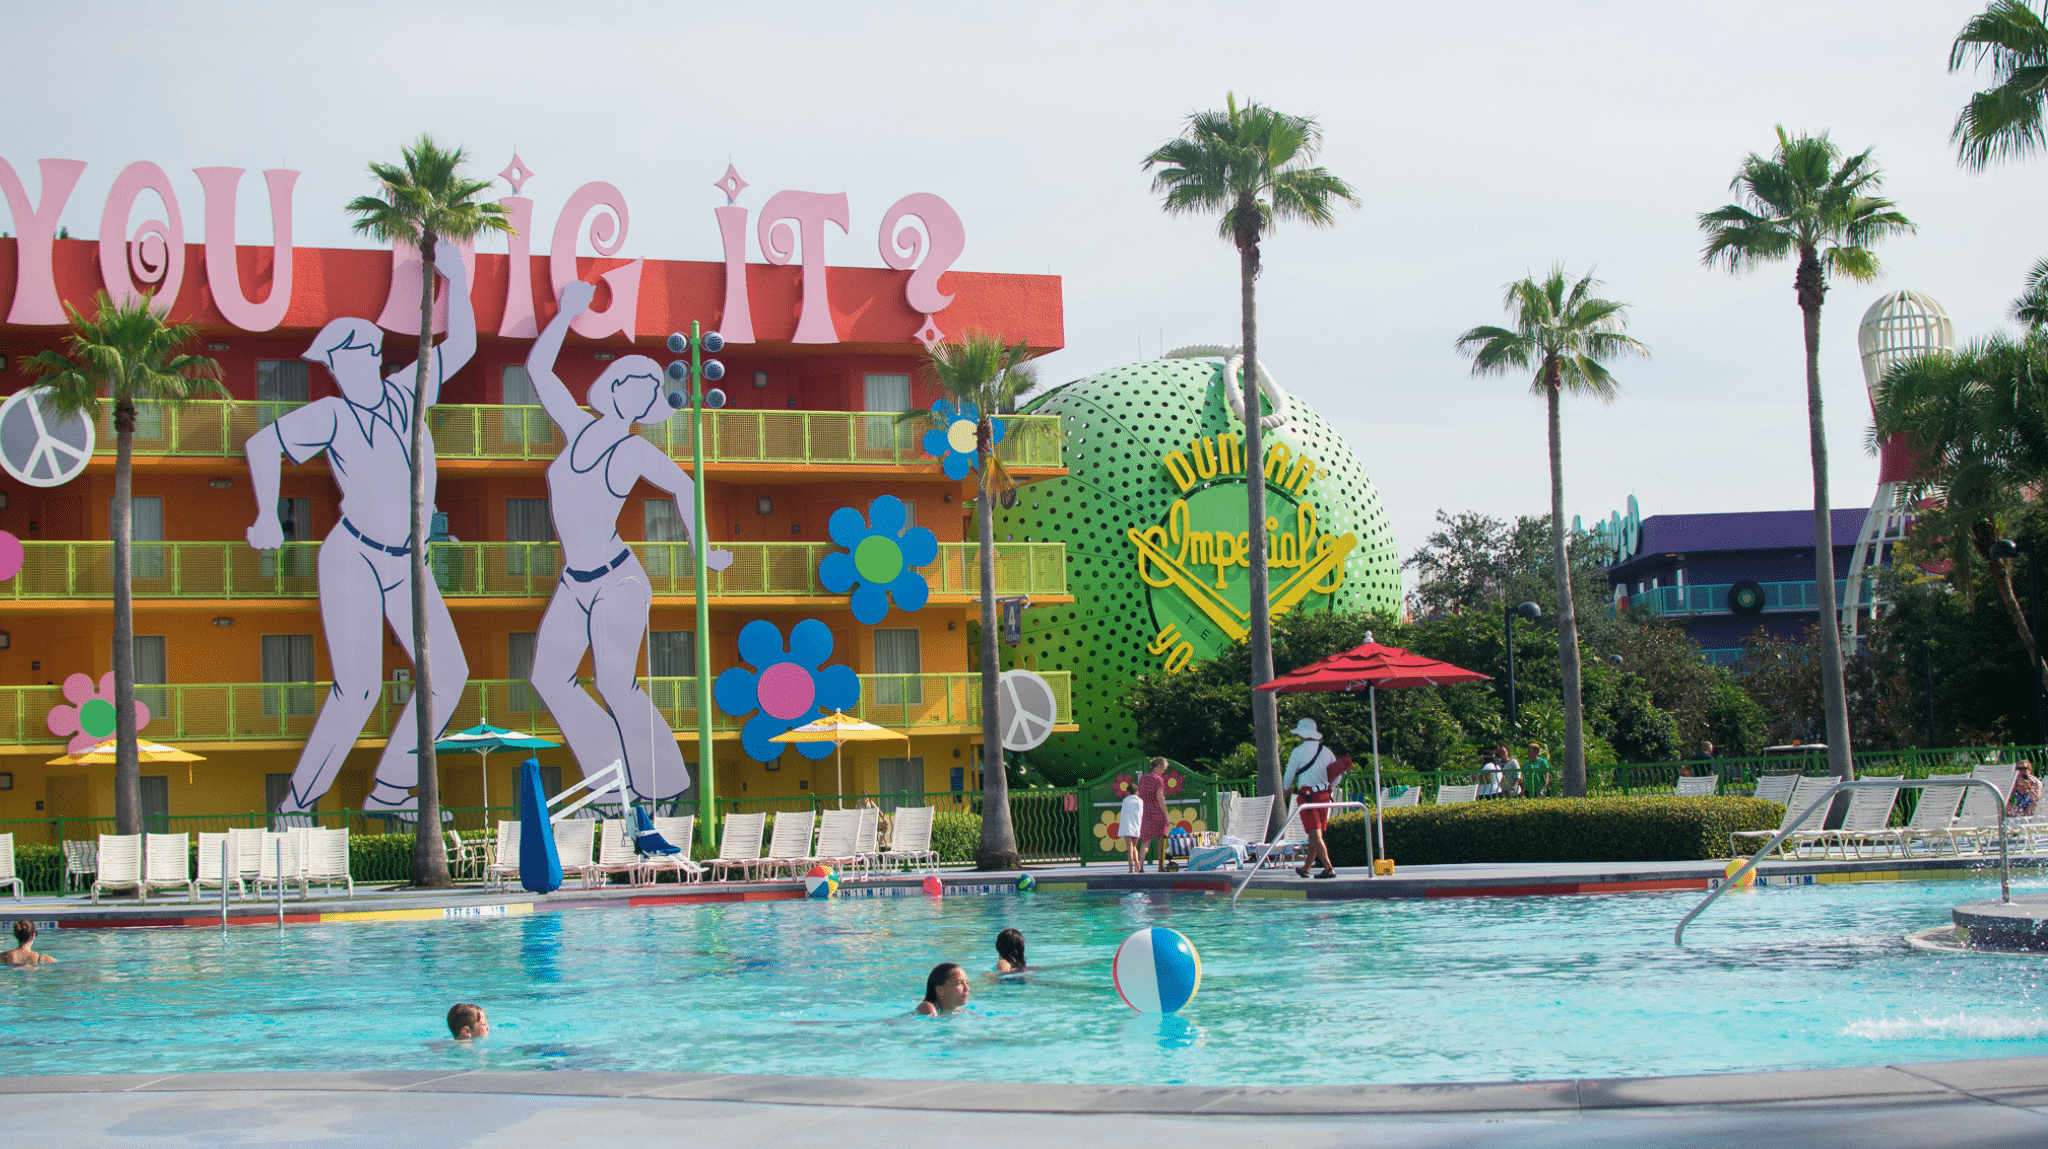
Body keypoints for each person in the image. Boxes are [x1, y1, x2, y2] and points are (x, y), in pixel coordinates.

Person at [244, 240, 474, 818]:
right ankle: (296, 807)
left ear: (371, 354)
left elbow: (463, 344)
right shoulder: (332, 415)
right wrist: (267, 513)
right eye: (331, 364)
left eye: (346, 359)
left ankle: (392, 791)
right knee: (360, 689)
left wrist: (458, 281)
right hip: (352, 556)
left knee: (449, 673)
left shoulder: (409, 393)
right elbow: (262, 443)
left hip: (407, 562)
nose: (337, 370)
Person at [525, 281, 733, 803]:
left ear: (649, 405)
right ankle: (614, 783)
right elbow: (537, 371)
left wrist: (701, 552)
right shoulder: (576, 428)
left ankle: (663, 786)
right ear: (611, 387)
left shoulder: (632, 451)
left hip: (617, 581)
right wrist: (566, 313)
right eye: (629, 381)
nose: (636, 392)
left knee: (616, 684)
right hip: (575, 582)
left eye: (648, 389)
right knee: (549, 676)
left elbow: (687, 486)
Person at [1282, 717, 1339, 879]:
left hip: (1308, 799)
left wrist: (1286, 789)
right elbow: (1337, 777)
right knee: (1315, 834)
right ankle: (1306, 869)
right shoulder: (1327, 752)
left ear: (1302, 734)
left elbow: (1288, 775)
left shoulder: (1298, 752)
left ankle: (1328, 869)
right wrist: (1328, 788)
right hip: (1325, 797)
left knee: (1315, 834)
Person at [1136, 757, 1171, 872]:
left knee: (1145, 841)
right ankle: (1160, 866)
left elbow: (1141, 795)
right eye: (1163, 769)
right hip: (1157, 812)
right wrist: (1166, 815)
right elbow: (1160, 798)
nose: (1164, 772)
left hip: (1145, 812)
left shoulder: (1142, 779)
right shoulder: (1158, 780)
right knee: (1160, 840)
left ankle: (1140, 866)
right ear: (1158, 767)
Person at [1118, 788, 1144, 873]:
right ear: (1137, 791)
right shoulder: (1140, 801)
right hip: (1136, 826)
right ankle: (1137, 862)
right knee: (1134, 847)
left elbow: (1124, 813)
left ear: (1128, 792)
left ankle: (1130, 869)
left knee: (1129, 849)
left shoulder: (1126, 801)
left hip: (1127, 827)